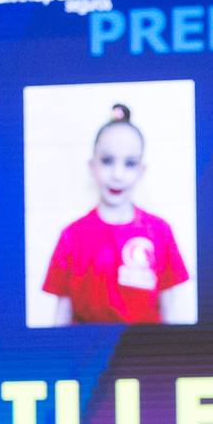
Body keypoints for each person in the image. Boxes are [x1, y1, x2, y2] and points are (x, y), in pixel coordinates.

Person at [43, 103, 191, 325]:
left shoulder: (160, 231)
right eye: (107, 161)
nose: (118, 174)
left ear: (141, 171)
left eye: (130, 163)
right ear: (92, 166)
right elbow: (61, 316)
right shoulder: (71, 235)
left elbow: (169, 312)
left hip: (142, 346)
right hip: (88, 347)